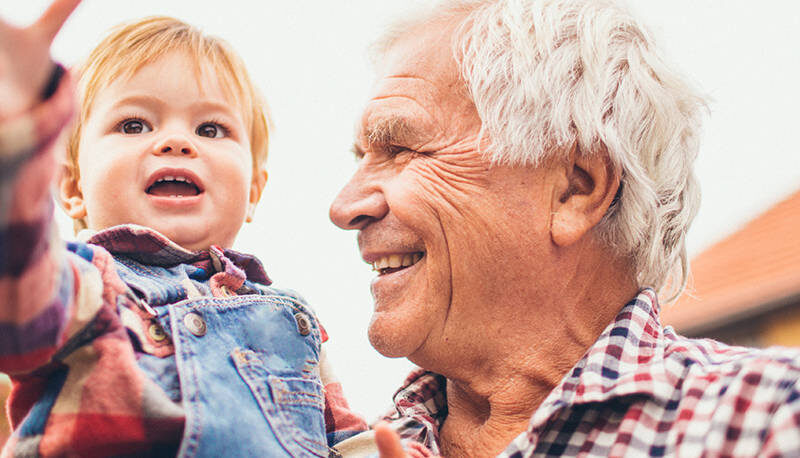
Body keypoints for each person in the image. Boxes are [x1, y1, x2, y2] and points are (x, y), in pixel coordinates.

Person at [329, 0, 800, 456]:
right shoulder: (338, 448)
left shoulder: (771, 416)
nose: (344, 206)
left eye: (401, 150)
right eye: (361, 157)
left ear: (576, 190)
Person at [0, 1, 366, 456]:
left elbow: (347, 439)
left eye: (211, 129)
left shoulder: (291, 319)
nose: (177, 141)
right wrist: (16, 142)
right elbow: (16, 287)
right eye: (133, 124)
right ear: (72, 185)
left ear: (253, 190)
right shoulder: (84, 284)